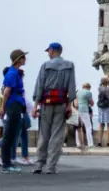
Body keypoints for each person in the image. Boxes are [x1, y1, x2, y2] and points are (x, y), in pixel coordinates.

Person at [32, 41, 77, 175]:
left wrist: (35, 106)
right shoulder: (69, 65)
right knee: (57, 135)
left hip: (46, 102)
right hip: (61, 103)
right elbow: (71, 87)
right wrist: (69, 105)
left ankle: (39, 164)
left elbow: (39, 86)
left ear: (52, 50)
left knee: (44, 133)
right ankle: (51, 166)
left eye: (48, 51)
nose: (48, 53)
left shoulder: (45, 65)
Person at [0, 49, 28, 174]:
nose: (25, 59)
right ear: (18, 59)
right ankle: (6, 164)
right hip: (13, 105)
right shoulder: (12, 74)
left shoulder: (14, 72)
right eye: (23, 57)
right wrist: (3, 108)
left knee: (11, 136)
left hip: (16, 105)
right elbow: (6, 92)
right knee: (9, 136)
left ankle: (7, 163)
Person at [96, 76, 109, 147]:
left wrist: (105, 80)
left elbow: (100, 84)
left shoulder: (99, 88)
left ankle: (99, 142)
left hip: (101, 108)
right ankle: (108, 143)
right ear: (107, 82)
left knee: (101, 125)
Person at [74, 82, 94, 152]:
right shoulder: (88, 92)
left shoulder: (78, 92)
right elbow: (92, 103)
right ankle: (90, 144)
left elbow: (75, 103)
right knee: (88, 127)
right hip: (85, 110)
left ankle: (78, 143)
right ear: (89, 87)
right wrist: (90, 103)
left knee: (78, 128)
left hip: (77, 111)